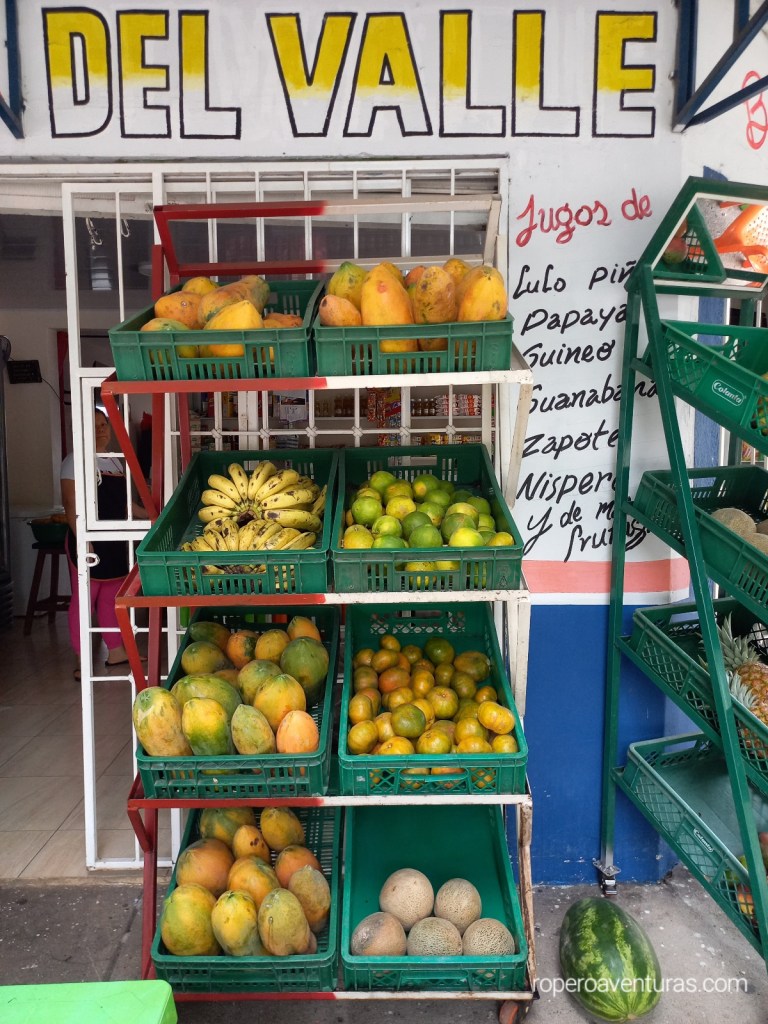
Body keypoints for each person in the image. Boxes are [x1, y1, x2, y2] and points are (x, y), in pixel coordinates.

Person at [60, 407, 146, 680]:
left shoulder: (114, 461)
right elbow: (70, 504)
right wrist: (83, 541)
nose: (101, 430)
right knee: (85, 600)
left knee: (111, 599)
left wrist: (153, 515)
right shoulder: (74, 461)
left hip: (114, 540)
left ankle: (116, 650)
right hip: (89, 542)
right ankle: (81, 658)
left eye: (104, 424)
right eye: (94, 425)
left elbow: (124, 506)